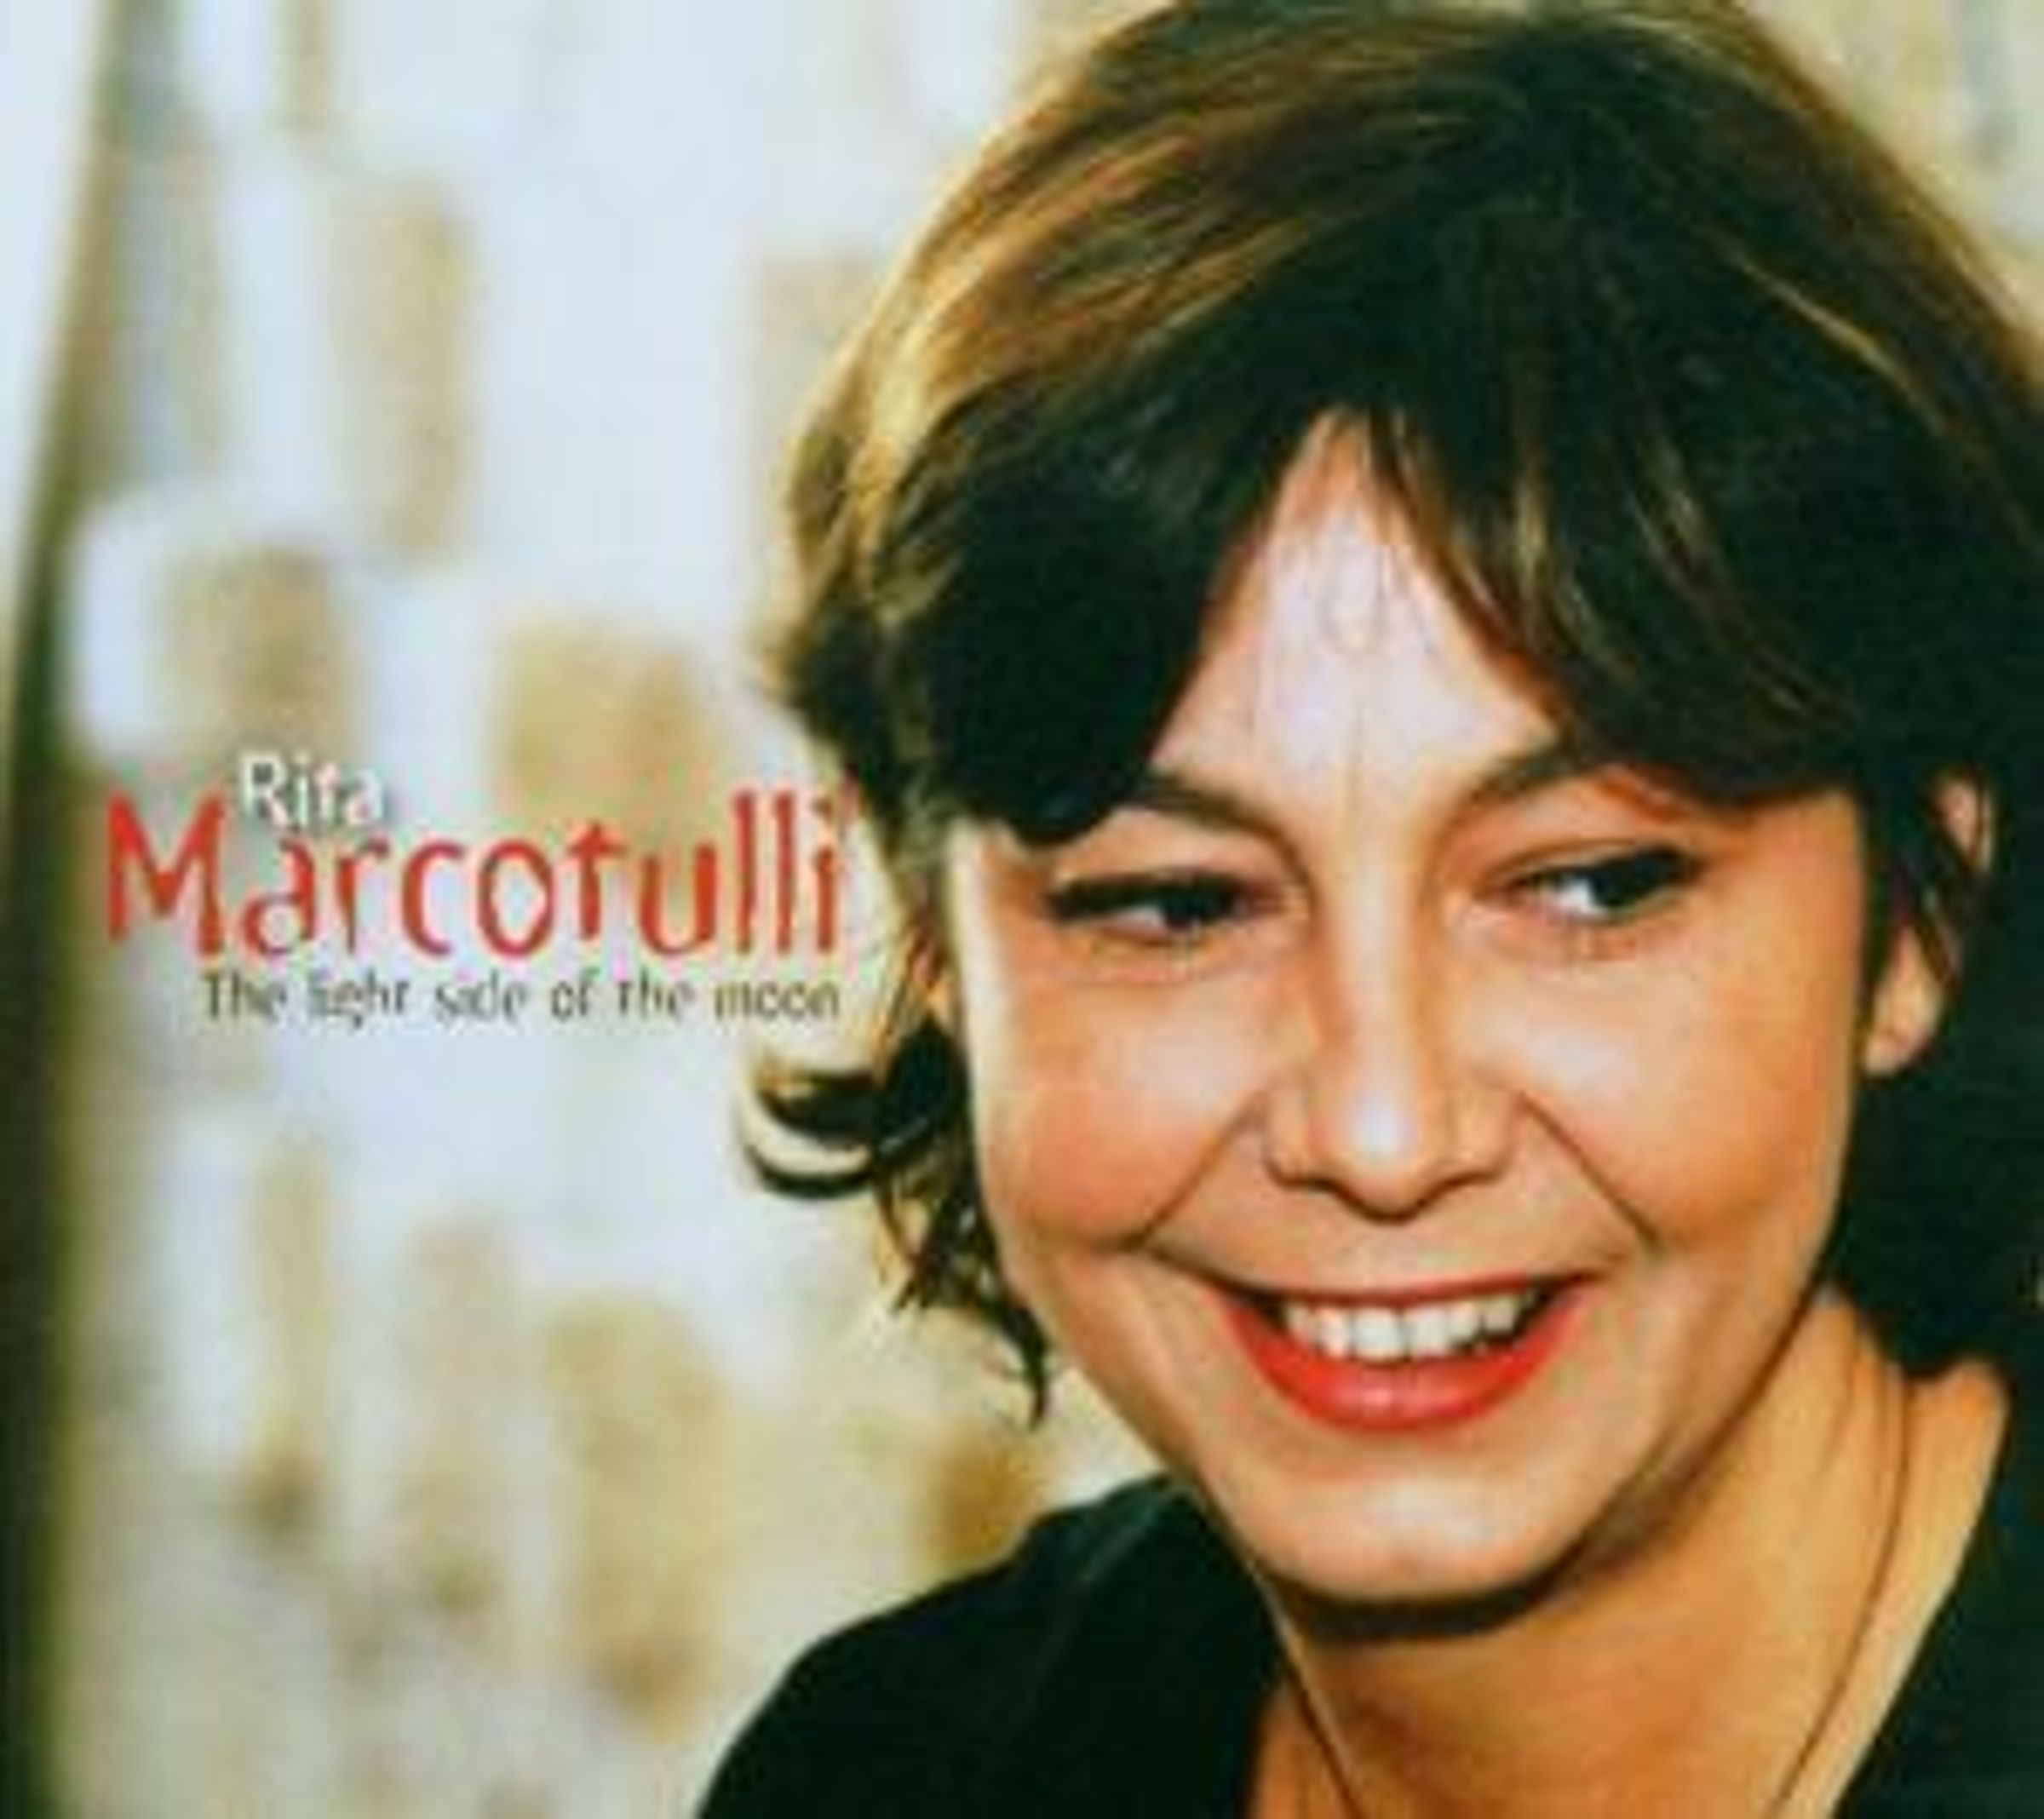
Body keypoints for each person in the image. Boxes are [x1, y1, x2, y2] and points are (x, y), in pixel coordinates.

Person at [703, 1, 2044, 1812]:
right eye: (1178, 906)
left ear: (1920, 914)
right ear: (936, 944)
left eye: (1587, 885)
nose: (1384, 1131)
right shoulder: (890, 1772)